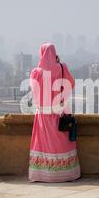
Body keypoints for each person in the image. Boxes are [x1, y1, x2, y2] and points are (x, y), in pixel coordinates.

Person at [28, 43, 81, 182]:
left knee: (43, 145)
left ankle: (44, 174)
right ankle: (65, 173)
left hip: (42, 116)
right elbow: (71, 83)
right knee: (61, 144)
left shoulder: (36, 72)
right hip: (59, 113)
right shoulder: (62, 68)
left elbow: (34, 91)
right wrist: (61, 98)